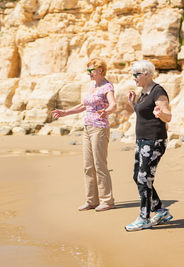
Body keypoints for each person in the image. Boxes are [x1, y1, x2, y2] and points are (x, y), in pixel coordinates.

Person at [51, 58, 117, 212]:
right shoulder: (92, 85)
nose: (88, 73)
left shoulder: (107, 86)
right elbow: (84, 105)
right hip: (87, 128)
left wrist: (106, 111)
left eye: (91, 70)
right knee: (88, 166)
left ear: (100, 70)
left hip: (99, 128)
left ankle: (107, 200)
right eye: (87, 70)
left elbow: (113, 105)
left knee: (100, 165)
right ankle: (92, 200)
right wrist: (65, 112)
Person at [125, 60, 173, 231]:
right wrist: (133, 103)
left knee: (144, 178)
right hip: (141, 140)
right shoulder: (143, 92)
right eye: (133, 74)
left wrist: (161, 114)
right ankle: (160, 211)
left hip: (154, 140)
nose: (134, 78)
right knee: (137, 176)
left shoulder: (157, 91)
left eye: (136, 74)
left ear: (146, 74)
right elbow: (143, 114)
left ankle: (144, 217)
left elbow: (168, 115)